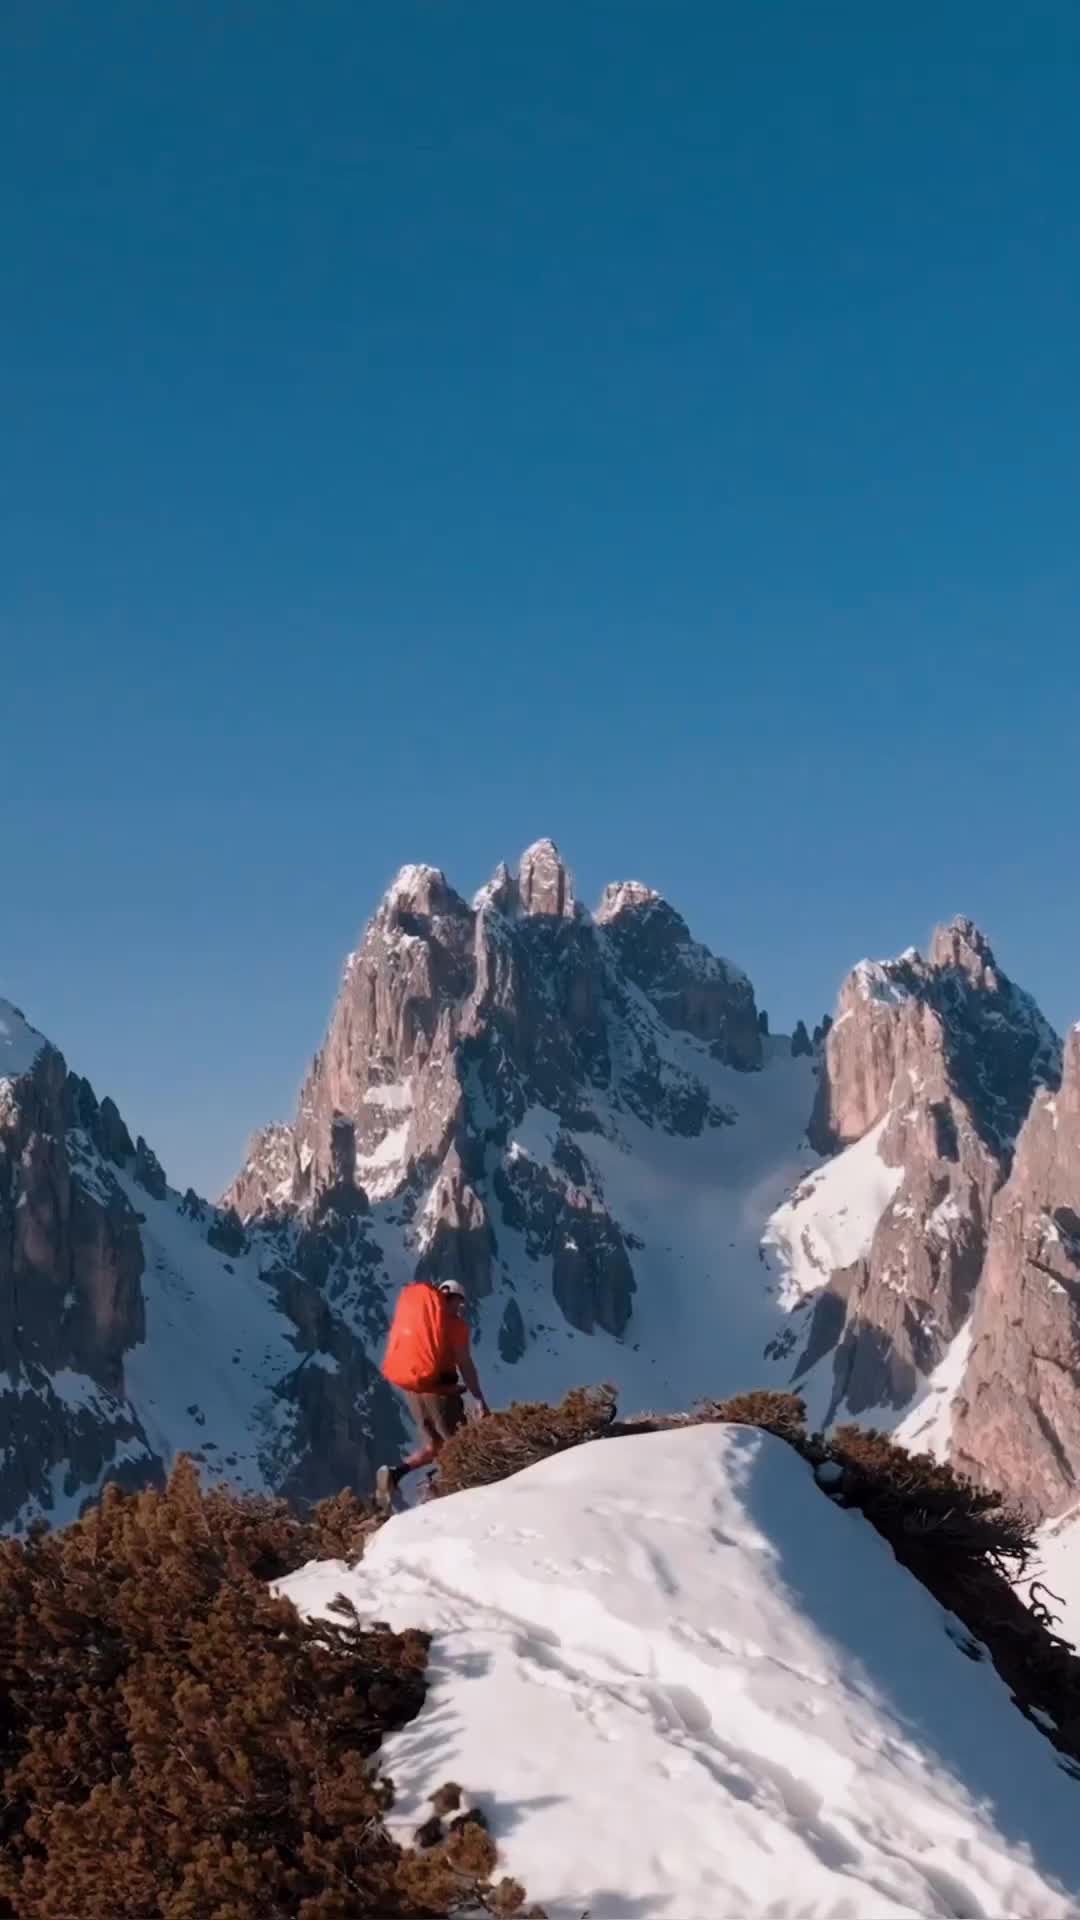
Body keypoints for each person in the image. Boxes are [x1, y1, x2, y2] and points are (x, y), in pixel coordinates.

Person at [375, 1277, 489, 1511]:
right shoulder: (454, 1325)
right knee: (460, 1443)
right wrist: (478, 1397)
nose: (460, 1307)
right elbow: (464, 1363)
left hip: (414, 1390)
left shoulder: (423, 1322)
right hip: (440, 1392)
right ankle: (434, 1488)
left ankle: (395, 1473)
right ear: (455, 1299)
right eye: (459, 1302)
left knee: (434, 1444)